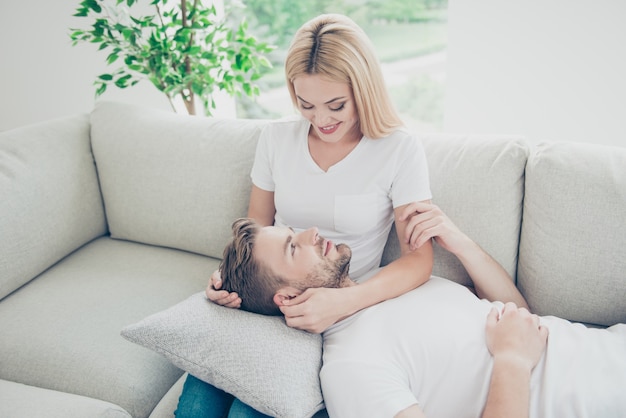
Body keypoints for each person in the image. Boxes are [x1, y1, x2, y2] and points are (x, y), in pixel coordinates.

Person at [177, 12, 439, 417]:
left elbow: (419, 260)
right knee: (197, 406)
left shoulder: (397, 149)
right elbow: (256, 230)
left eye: (336, 105)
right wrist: (228, 280)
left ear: (363, 89)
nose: (321, 120)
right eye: (306, 105)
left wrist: (344, 302)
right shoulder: (276, 139)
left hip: (334, 310)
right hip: (267, 298)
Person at [218, 217, 626, 418]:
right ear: (287, 296)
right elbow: (516, 345)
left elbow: (519, 318)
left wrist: (461, 244)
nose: (310, 232)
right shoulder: (349, 369)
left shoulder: (390, 280)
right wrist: (512, 362)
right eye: (293, 247)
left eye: (293, 231)